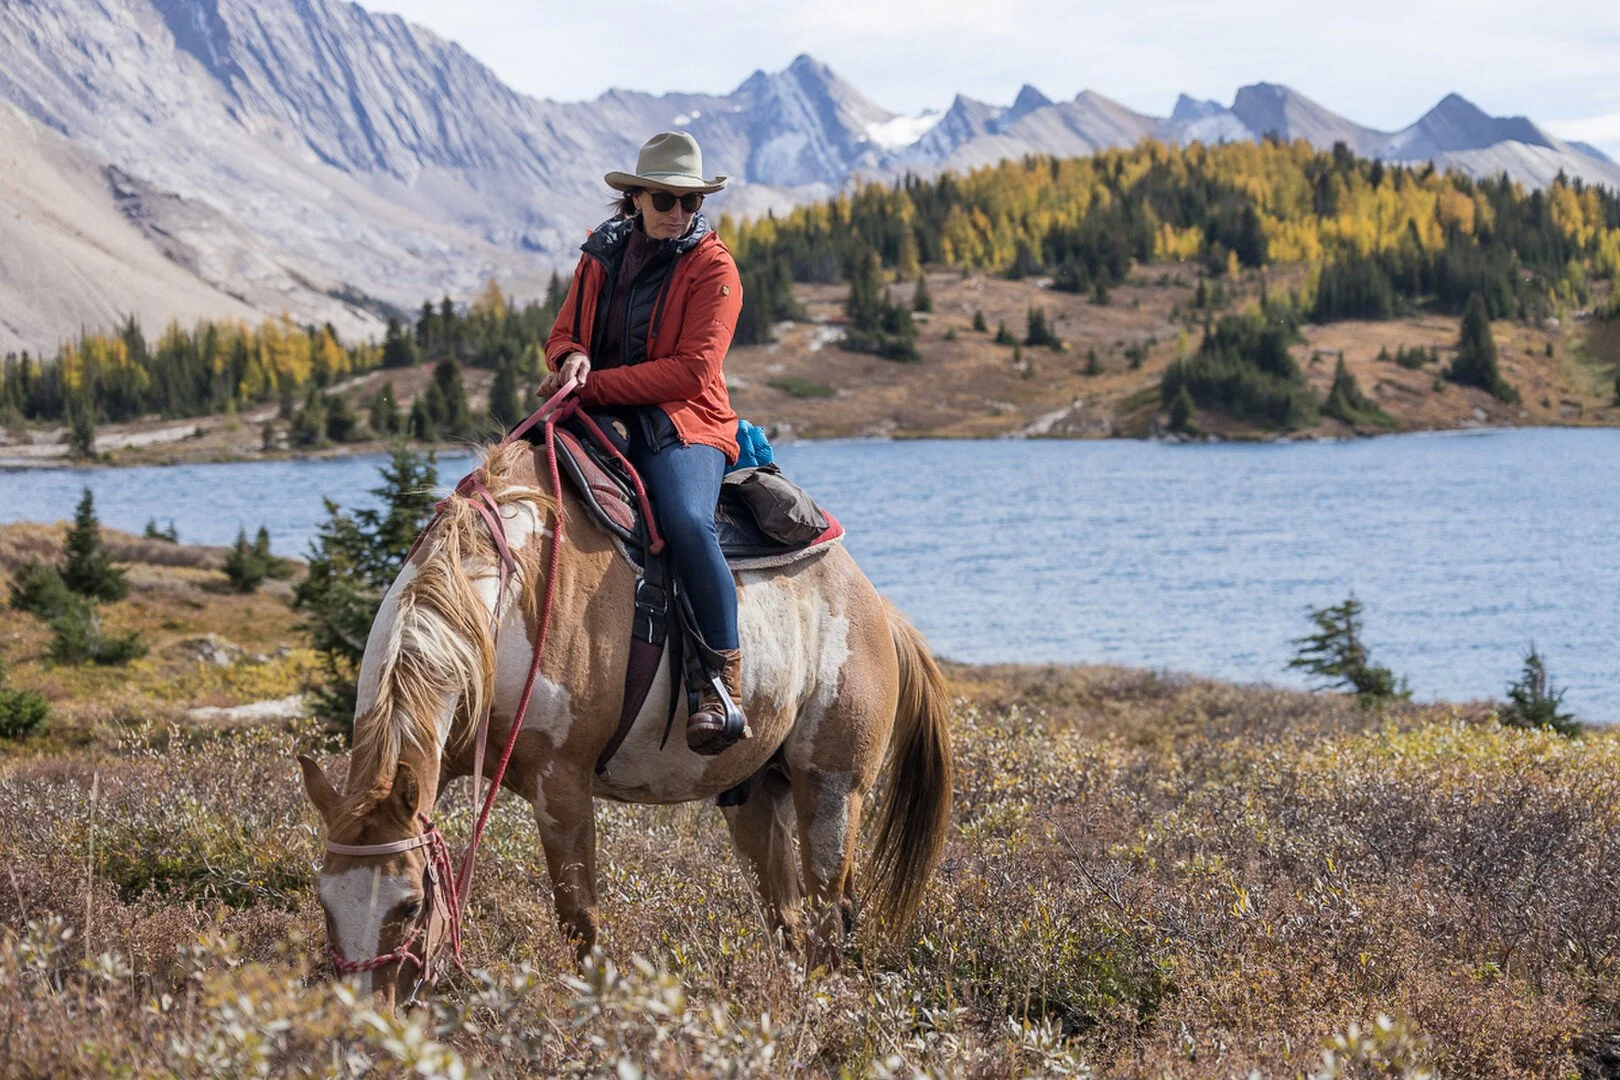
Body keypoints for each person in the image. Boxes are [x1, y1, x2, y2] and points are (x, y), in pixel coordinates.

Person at [540, 131, 748, 755]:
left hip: (685, 422)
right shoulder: (600, 254)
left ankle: (719, 678)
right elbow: (563, 333)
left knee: (686, 520)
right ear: (635, 198)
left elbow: (692, 371)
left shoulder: (715, 268)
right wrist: (571, 357)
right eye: (664, 199)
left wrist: (593, 383)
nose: (678, 213)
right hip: (601, 408)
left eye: (690, 202)